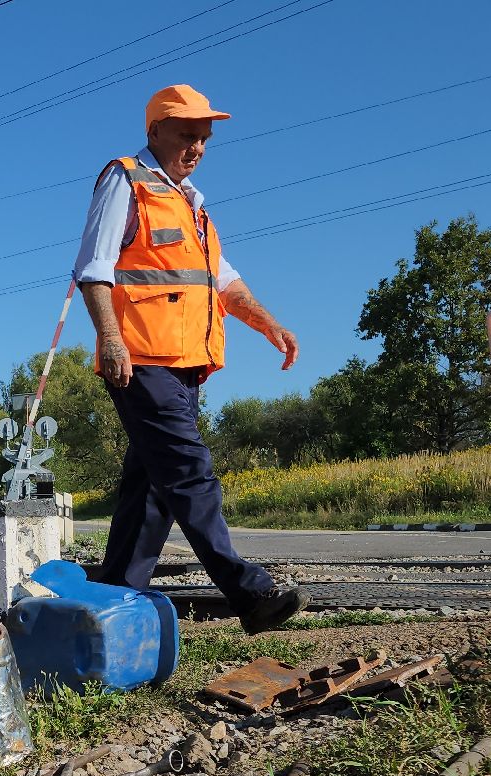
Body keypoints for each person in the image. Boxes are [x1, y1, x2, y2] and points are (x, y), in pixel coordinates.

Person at [75, 84, 306, 634]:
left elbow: (221, 280)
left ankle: (115, 601)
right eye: (187, 135)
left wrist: (267, 322)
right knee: (189, 471)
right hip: (140, 358)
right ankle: (248, 592)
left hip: (185, 364)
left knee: (152, 486)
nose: (197, 146)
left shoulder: (193, 203)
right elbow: (93, 267)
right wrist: (110, 340)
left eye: (204, 138)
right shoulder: (126, 180)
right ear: (155, 130)